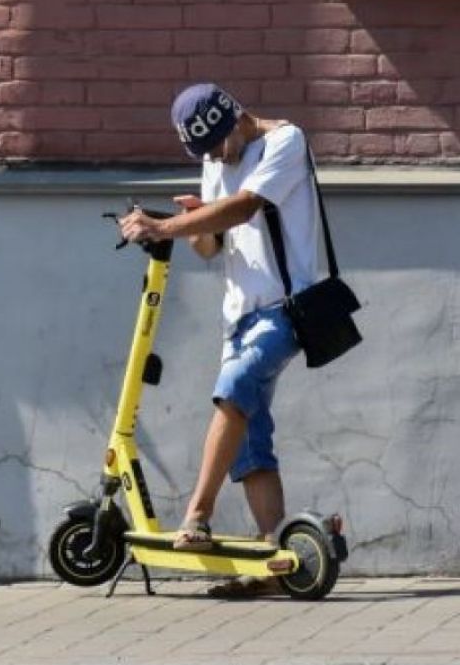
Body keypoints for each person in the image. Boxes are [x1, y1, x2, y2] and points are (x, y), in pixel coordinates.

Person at [118, 83, 321, 594]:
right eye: (203, 152)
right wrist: (190, 223)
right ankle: (274, 561)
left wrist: (169, 226)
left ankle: (197, 514)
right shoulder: (215, 160)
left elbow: (244, 207)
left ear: (234, 119)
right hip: (238, 316)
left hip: (287, 308)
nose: (212, 158)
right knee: (251, 442)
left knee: (235, 386)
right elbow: (213, 246)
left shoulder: (284, 142)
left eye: (215, 146)